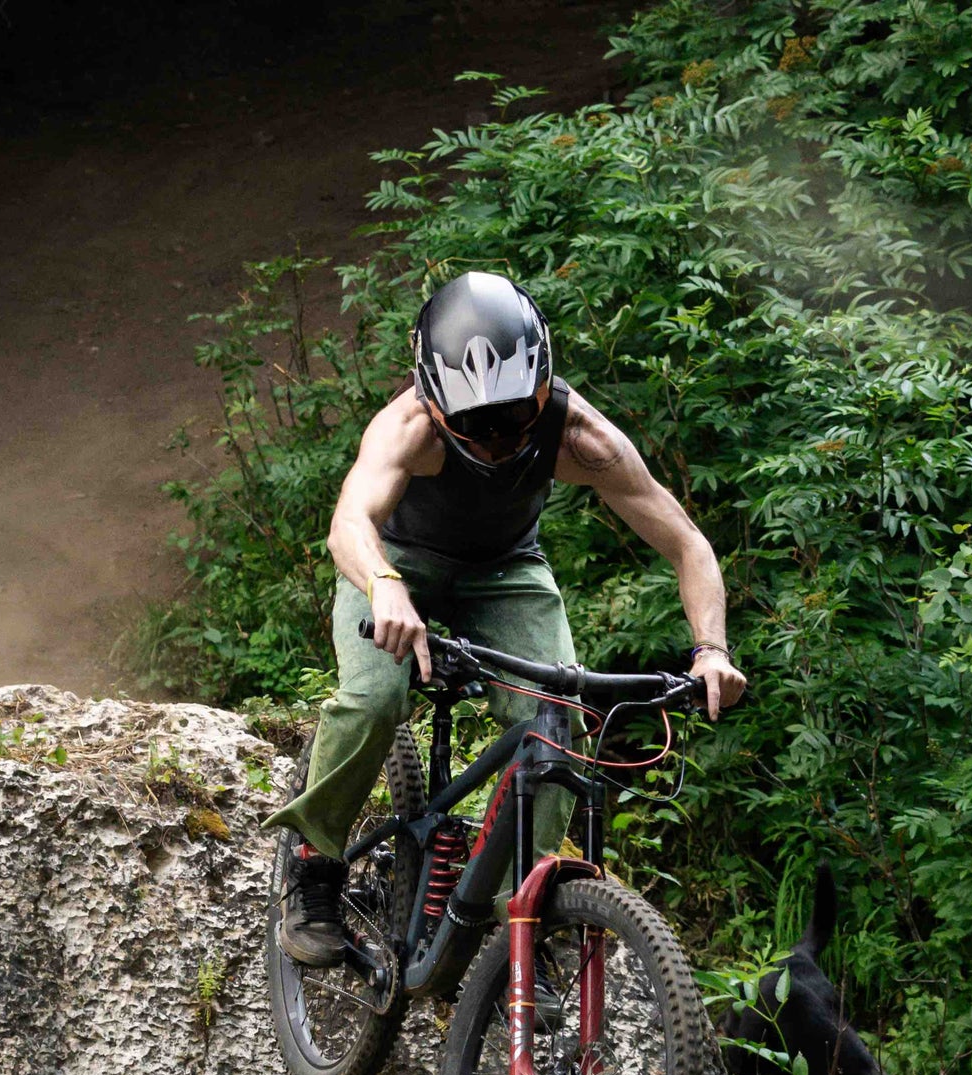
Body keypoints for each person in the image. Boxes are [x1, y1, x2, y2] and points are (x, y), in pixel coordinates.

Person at [270, 269, 745, 966]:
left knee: (556, 720)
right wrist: (384, 586)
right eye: (473, 427)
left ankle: (519, 919)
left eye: (513, 421)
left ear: (543, 388)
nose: (494, 443)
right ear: (434, 403)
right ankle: (314, 858)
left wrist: (711, 647)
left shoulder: (577, 436)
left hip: (505, 572)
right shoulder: (407, 429)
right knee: (374, 698)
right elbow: (349, 523)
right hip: (394, 561)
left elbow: (686, 543)